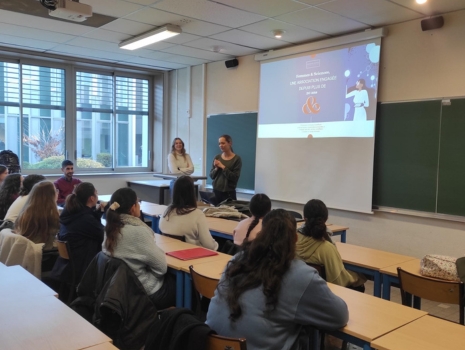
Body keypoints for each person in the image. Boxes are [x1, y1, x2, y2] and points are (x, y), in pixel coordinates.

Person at [206, 209, 349, 350]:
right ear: (295, 239)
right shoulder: (300, 275)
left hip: (210, 343)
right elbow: (339, 316)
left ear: (261, 233)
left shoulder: (238, 260)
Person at [102, 187, 175, 310]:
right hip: (142, 292)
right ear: (133, 208)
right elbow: (161, 268)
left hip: (118, 290)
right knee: (179, 283)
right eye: (138, 203)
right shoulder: (138, 232)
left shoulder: (109, 229)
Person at [296, 199, 366, 290]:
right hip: (326, 293)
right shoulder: (327, 248)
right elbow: (339, 281)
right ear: (326, 219)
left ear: (304, 219)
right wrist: (358, 277)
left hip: (302, 290)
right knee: (359, 283)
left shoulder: (293, 241)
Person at [51, 182, 105, 283]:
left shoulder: (70, 212)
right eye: (96, 193)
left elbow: (89, 227)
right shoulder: (86, 219)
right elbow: (104, 236)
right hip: (84, 266)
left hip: (69, 265)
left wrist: (98, 213)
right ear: (92, 198)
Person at [159, 175, 218, 250]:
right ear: (192, 193)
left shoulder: (166, 211)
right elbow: (210, 246)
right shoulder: (197, 214)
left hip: (168, 253)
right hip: (190, 256)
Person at [13, 180, 60, 250]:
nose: (57, 193)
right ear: (51, 195)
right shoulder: (50, 214)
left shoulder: (26, 211)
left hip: (28, 249)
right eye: (55, 190)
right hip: (44, 252)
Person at [209, 134, 242, 204]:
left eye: (223, 143)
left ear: (230, 143)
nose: (221, 145)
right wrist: (216, 168)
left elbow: (235, 177)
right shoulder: (217, 157)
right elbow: (211, 176)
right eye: (219, 143)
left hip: (229, 193)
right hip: (216, 191)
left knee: (229, 214)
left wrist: (223, 167)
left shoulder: (236, 159)